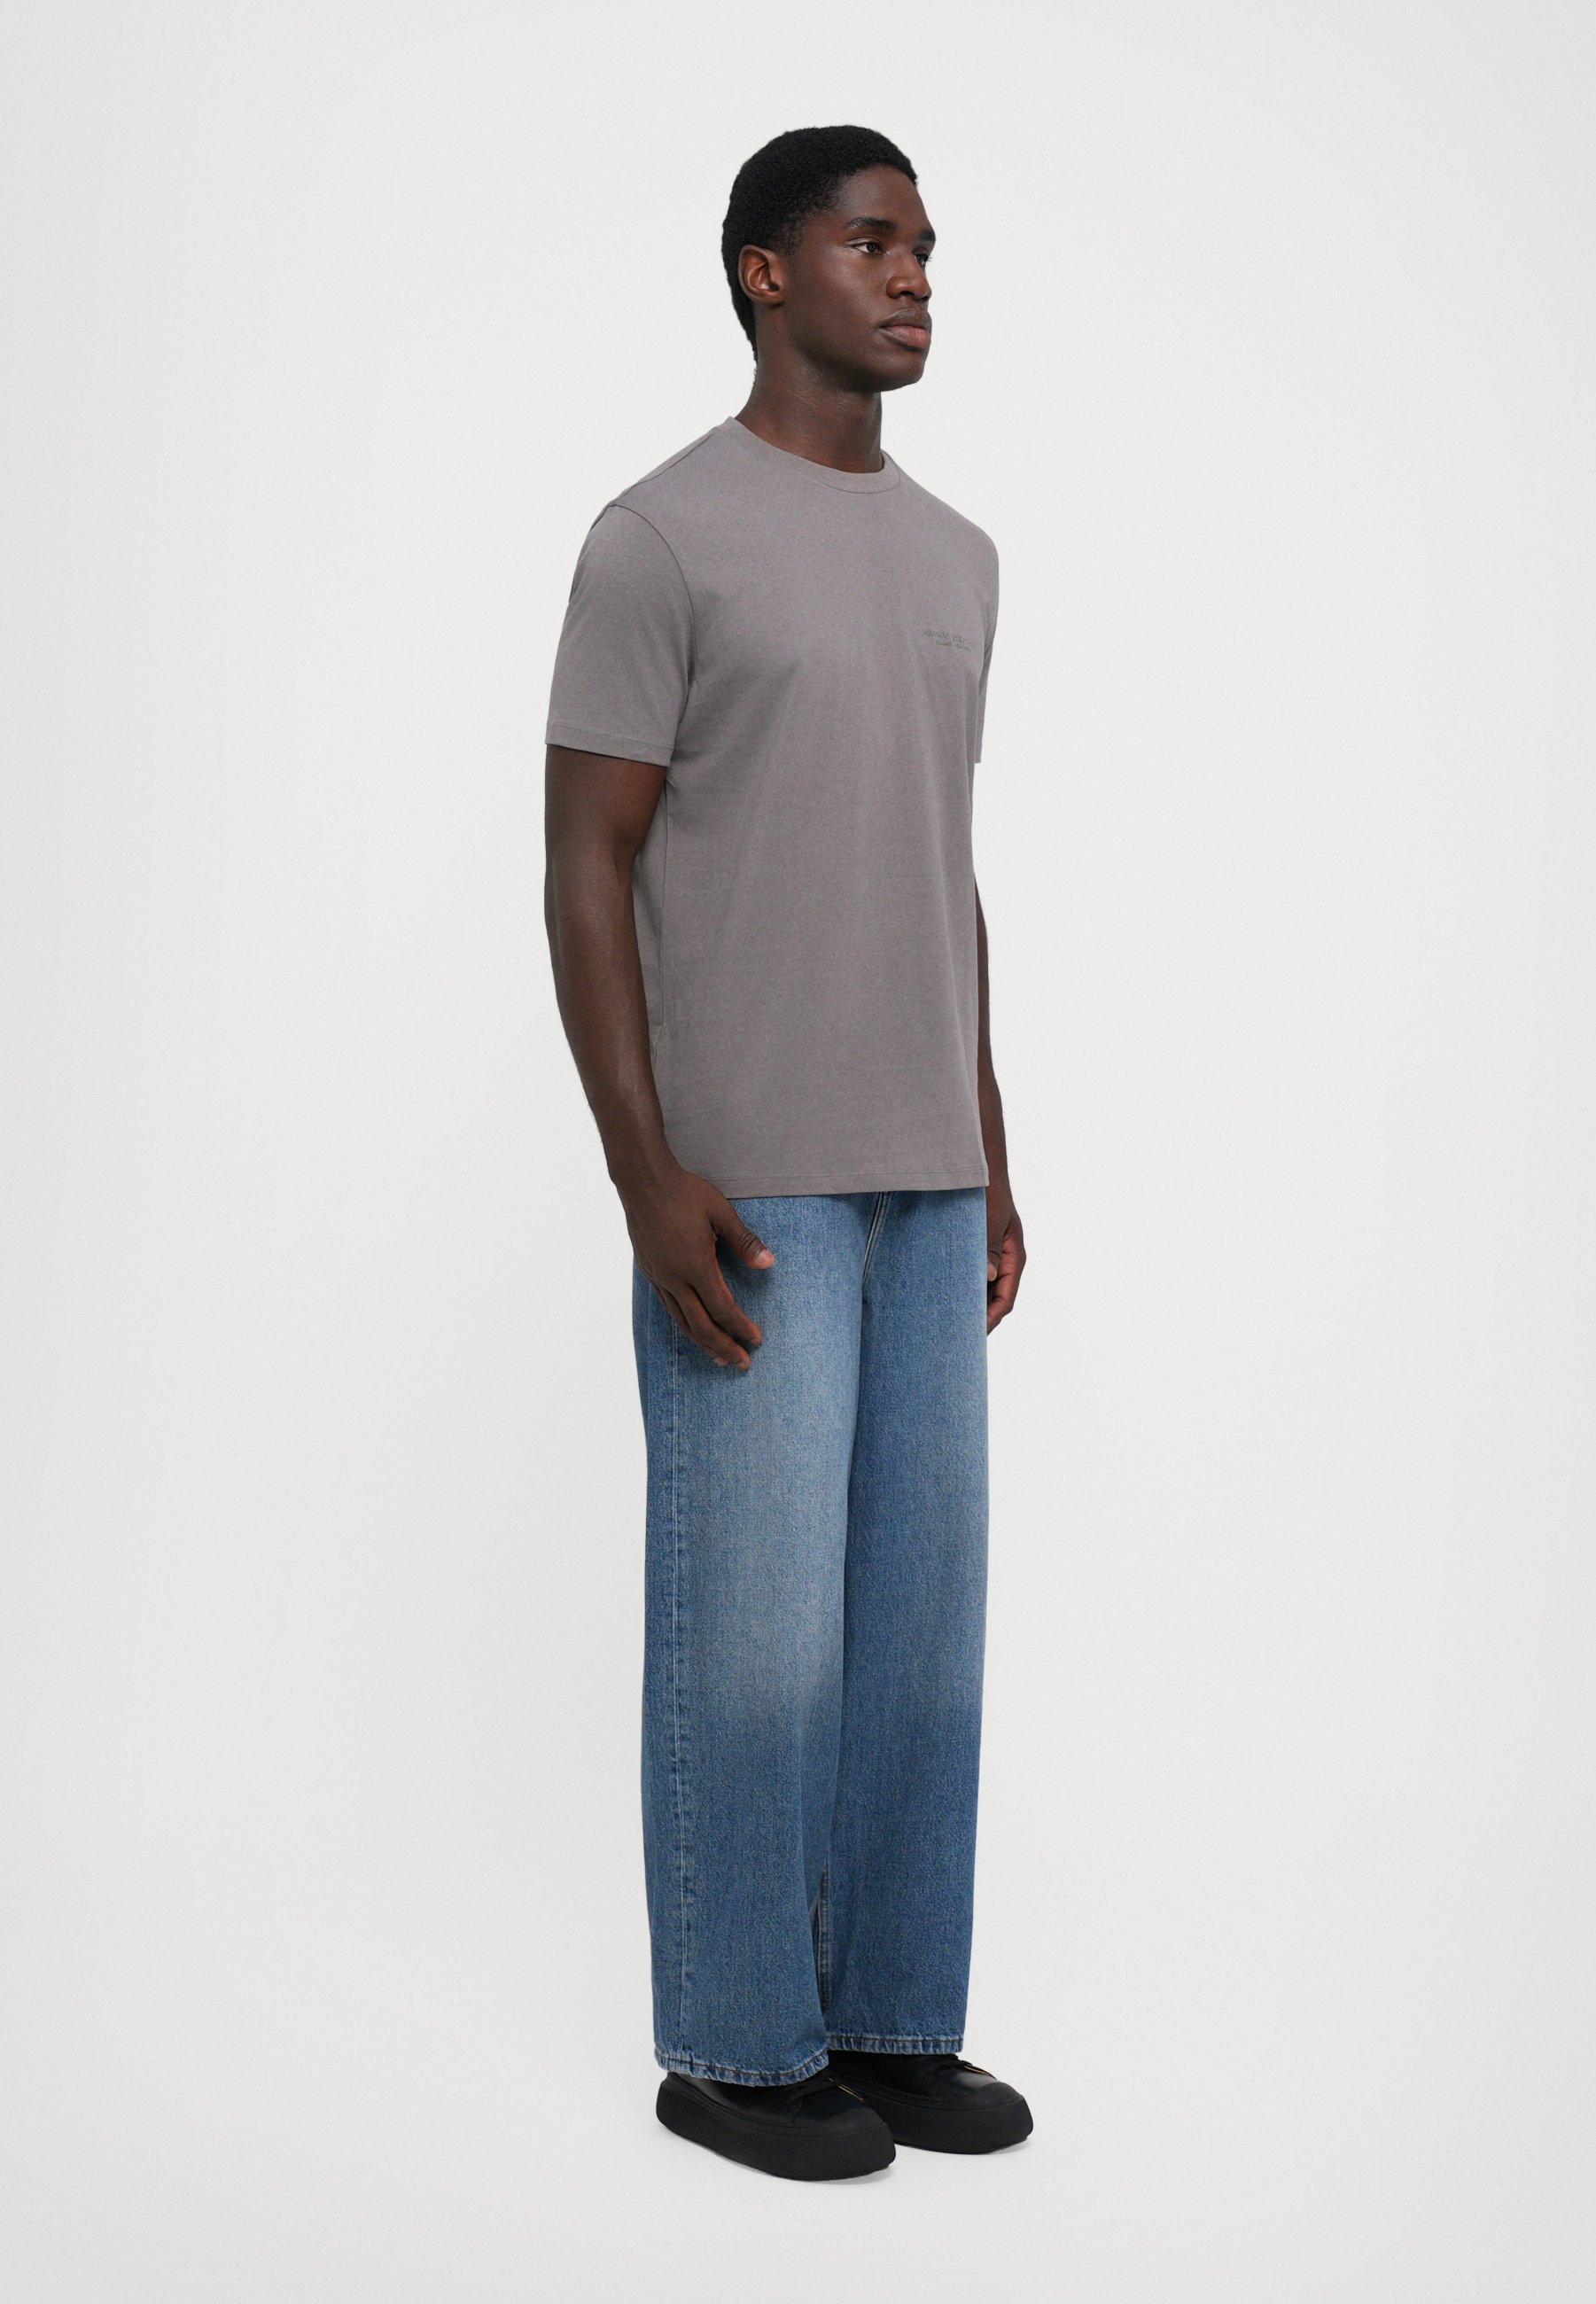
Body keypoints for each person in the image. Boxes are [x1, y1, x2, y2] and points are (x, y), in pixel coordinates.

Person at [543, 124, 1031, 2182]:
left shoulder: (960, 555)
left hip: (926, 1171)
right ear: (765, 270)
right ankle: (737, 2046)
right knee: (754, 1638)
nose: (910, 274)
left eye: (923, 245)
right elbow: (586, 859)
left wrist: (990, 1139)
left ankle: (893, 2017)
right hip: (747, 1180)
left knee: (918, 1629)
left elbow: (939, 860)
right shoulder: (660, 537)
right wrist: (641, 1169)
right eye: (868, 239)